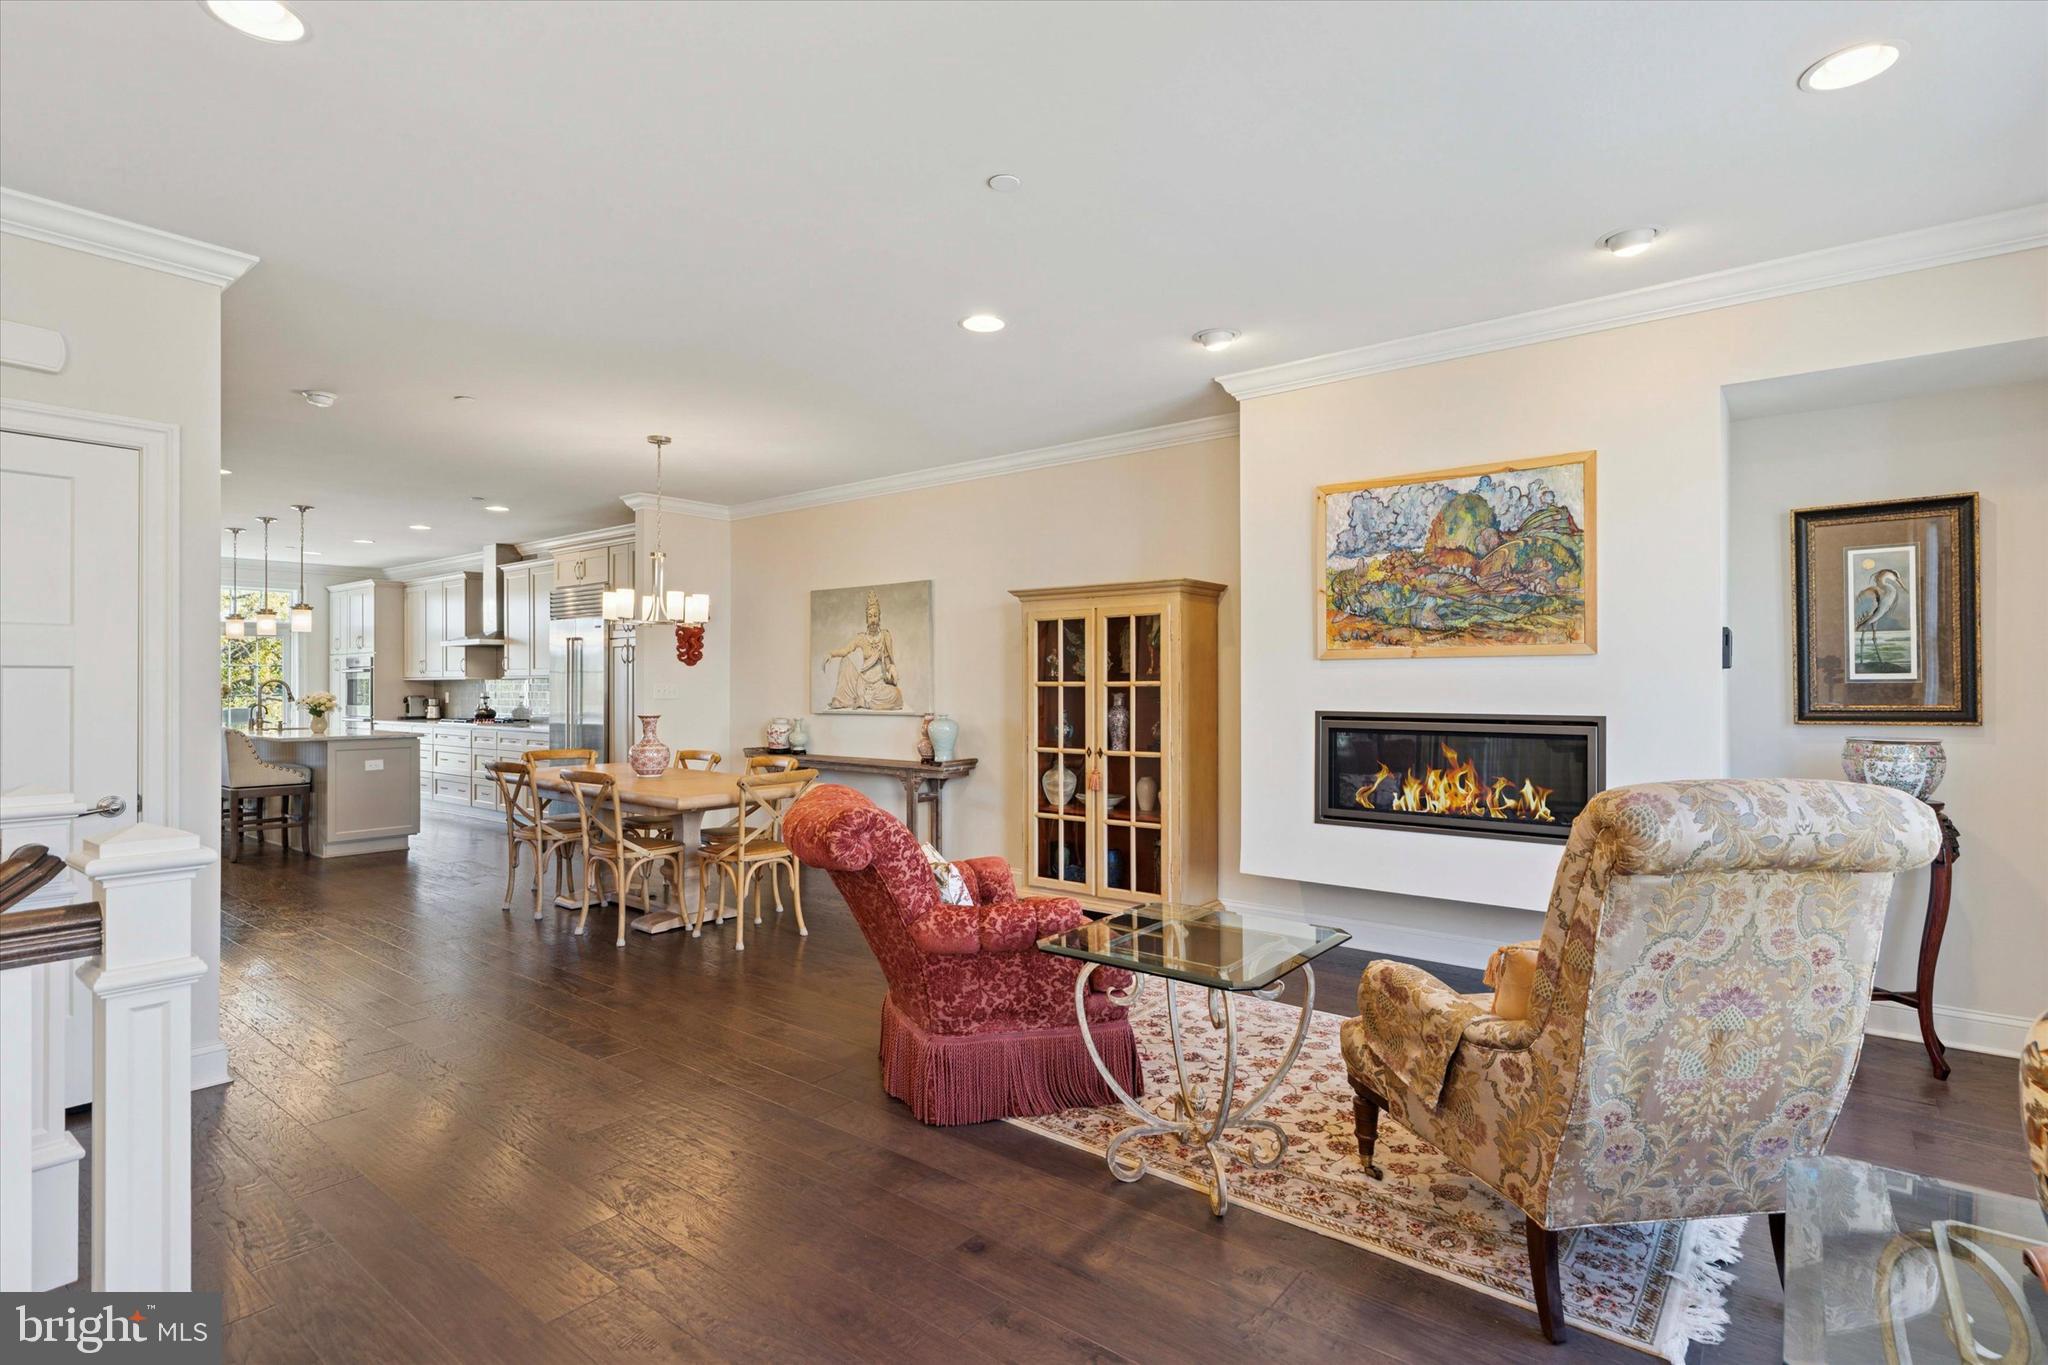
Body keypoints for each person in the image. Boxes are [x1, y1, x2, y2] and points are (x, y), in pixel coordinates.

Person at [822, 590, 903, 710]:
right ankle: (859, 699)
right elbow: (845, 650)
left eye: (875, 616)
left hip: (878, 685)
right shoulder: (861, 638)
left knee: (896, 695)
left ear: (879, 617)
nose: (873, 620)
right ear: (866, 619)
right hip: (863, 682)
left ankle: (864, 702)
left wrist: (892, 669)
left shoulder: (885, 636)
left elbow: (888, 662)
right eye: (870, 616)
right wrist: (831, 654)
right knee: (845, 661)